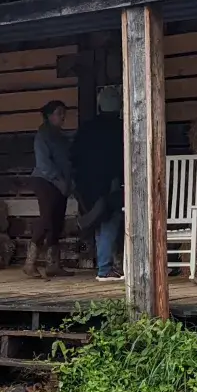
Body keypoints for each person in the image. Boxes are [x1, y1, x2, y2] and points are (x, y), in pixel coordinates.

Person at [72, 84, 124, 281]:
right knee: (110, 221)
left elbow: (74, 157)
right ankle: (104, 267)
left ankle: (106, 264)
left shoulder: (87, 128)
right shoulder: (119, 128)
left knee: (99, 221)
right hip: (109, 183)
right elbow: (119, 159)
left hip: (87, 184)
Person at [26, 100, 74, 277]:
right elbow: (44, 164)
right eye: (59, 113)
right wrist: (59, 180)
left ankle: (53, 263)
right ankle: (30, 262)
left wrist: (68, 182)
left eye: (63, 113)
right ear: (49, 115)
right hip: (45, 181)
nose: (62, 117)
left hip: (61, 182)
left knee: (57, 221)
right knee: (46, 219)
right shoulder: (42, 135)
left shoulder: (61, 136)